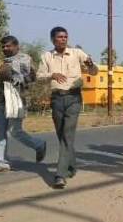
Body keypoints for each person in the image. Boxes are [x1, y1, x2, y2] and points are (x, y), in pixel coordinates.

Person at [37, 27, 98, 189]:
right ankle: (71, 166)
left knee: (67, 134)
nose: (63, 39)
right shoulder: (47, 56)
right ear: (52, 40)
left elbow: (93, 71)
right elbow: (39, 77)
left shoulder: (77, 53)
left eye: (65, 37)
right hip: (57, 99)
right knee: (62, 135)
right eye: (59, 37)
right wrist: (52, 75)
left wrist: (91, 64)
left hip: (74, 98)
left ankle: (60, 175)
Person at [0, 36, 47, 173]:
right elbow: (0, 79)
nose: (5, 49)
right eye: (3, 47)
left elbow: (32, 77)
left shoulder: (24, 59)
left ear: (16, 46)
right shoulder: (4, 61)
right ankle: (3, 163)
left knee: (15, 131)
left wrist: (12, 78)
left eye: (8, 46)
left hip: (17, 100)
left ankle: (39, 145)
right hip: (1, 100)